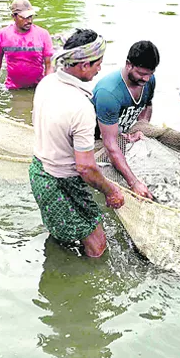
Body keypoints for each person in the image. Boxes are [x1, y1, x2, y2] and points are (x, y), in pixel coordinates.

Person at [29, 29, 124, 258]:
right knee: (97, 246)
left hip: (38, 172)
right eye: (97, 64)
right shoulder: (81, 107)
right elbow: (85, 168)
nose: (100, 69)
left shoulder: (47, 82)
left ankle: (58, 261)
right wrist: (111, 190)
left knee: (64, 232)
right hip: (59, 182)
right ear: (82, 66)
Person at [92, 41, 160, 199]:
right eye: (141, 74)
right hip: (96, 142)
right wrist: (134, 183)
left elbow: (146, 107)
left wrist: (139, 129)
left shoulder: (149, 80)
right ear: (128, 64)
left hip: (121, 135)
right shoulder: (108, 92)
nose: (146, 78)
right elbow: (110, 144)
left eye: (150, 73)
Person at [0, 0, 54, 90]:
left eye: (30, 16)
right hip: (12, 88)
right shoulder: (3, 35)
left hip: (37, 87)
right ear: (14, 17)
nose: (29, 21)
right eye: (24, 17)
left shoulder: (43, 34)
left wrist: (47, 88)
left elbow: (49, 65)